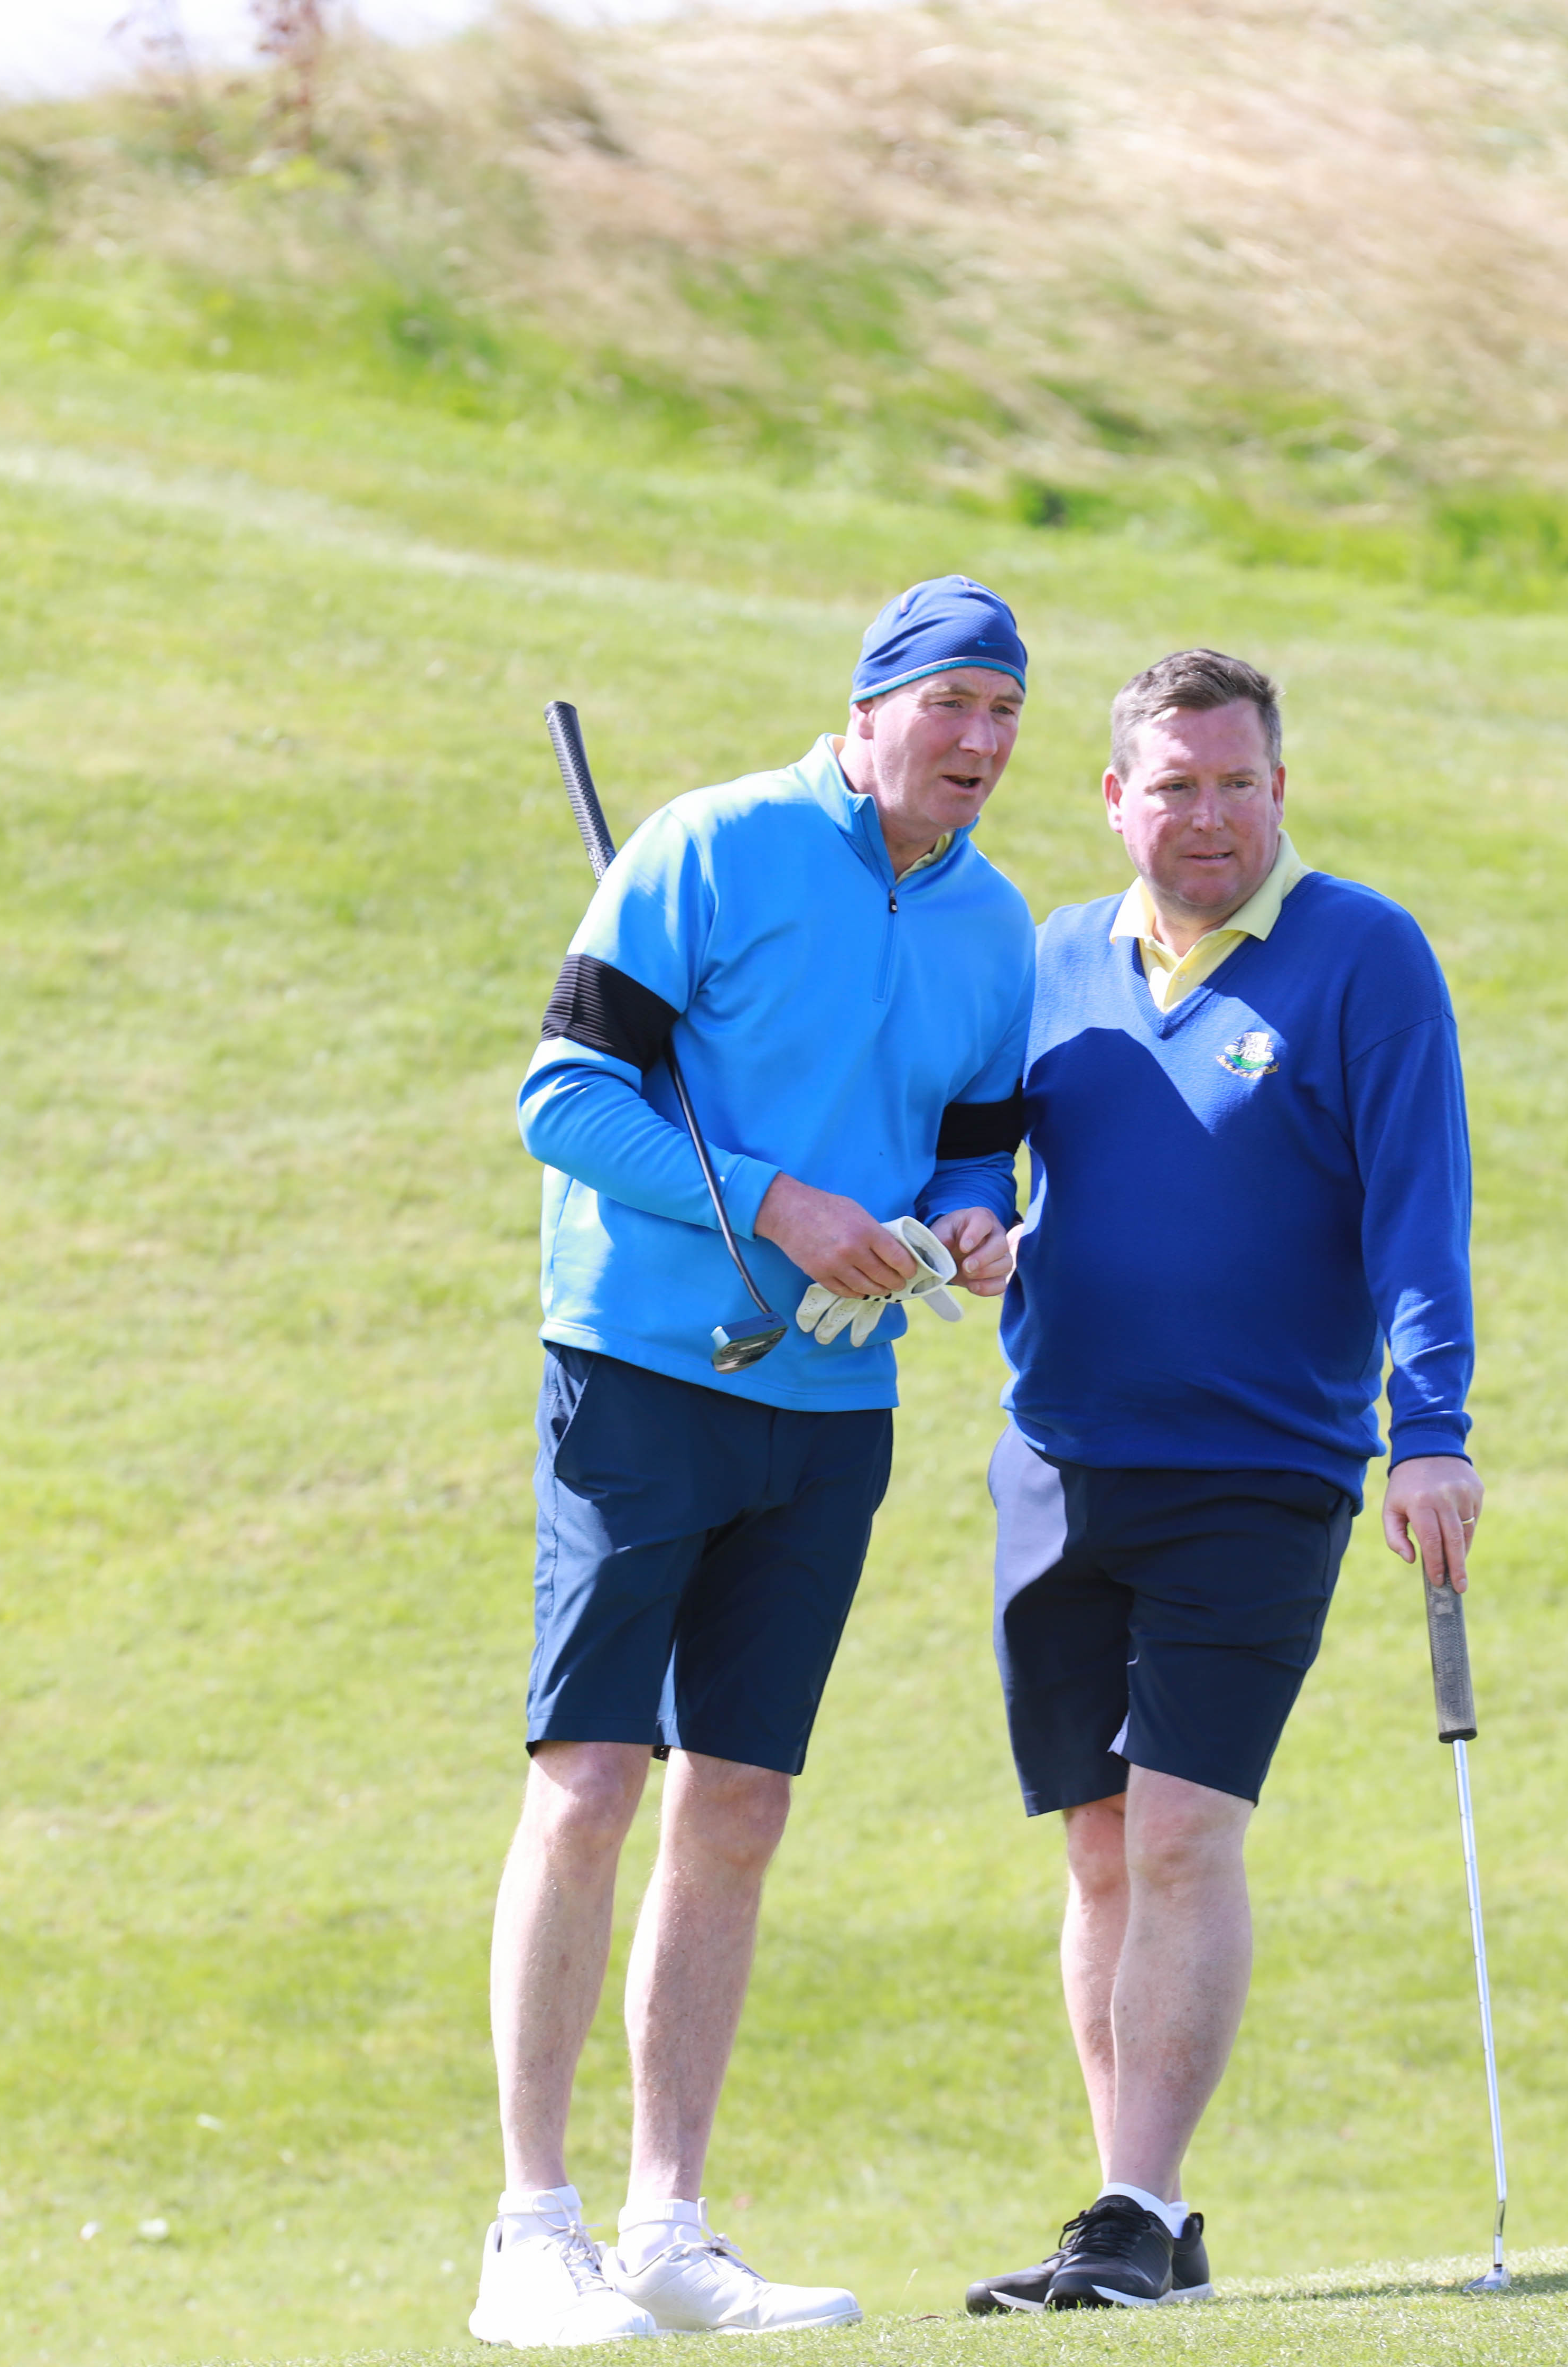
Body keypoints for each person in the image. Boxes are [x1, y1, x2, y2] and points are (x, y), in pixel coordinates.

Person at [475, 578, 1038, 2347]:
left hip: (832, 1405)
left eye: (1005, 715)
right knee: (592, 1777)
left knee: (740, 1799)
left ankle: (668, 2229)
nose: (978, 743)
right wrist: (776, 1202)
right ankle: (531, 2235)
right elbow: (566, 1099)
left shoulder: (996, 923)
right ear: (867, 713)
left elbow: (974, 1143)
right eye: (949, 704)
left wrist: (969, 1220)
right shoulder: (709, 847)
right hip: (641, 1374)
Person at [965, 648, 1479, 2313]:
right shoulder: (1052, 956)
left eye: (1237, 782)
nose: (1209, 815)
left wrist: (1432, 1430)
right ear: (1117, 799)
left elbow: (1419, 1210)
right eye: (1175, 786)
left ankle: (1132, 2200)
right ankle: (1142, 2226)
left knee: (1186, 1828)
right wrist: (963, 1215)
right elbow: (969, 1142)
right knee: (1102, 1849)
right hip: (1057, 1459)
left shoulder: (1365, 955)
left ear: (1280, 787)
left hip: (1260, 1467)